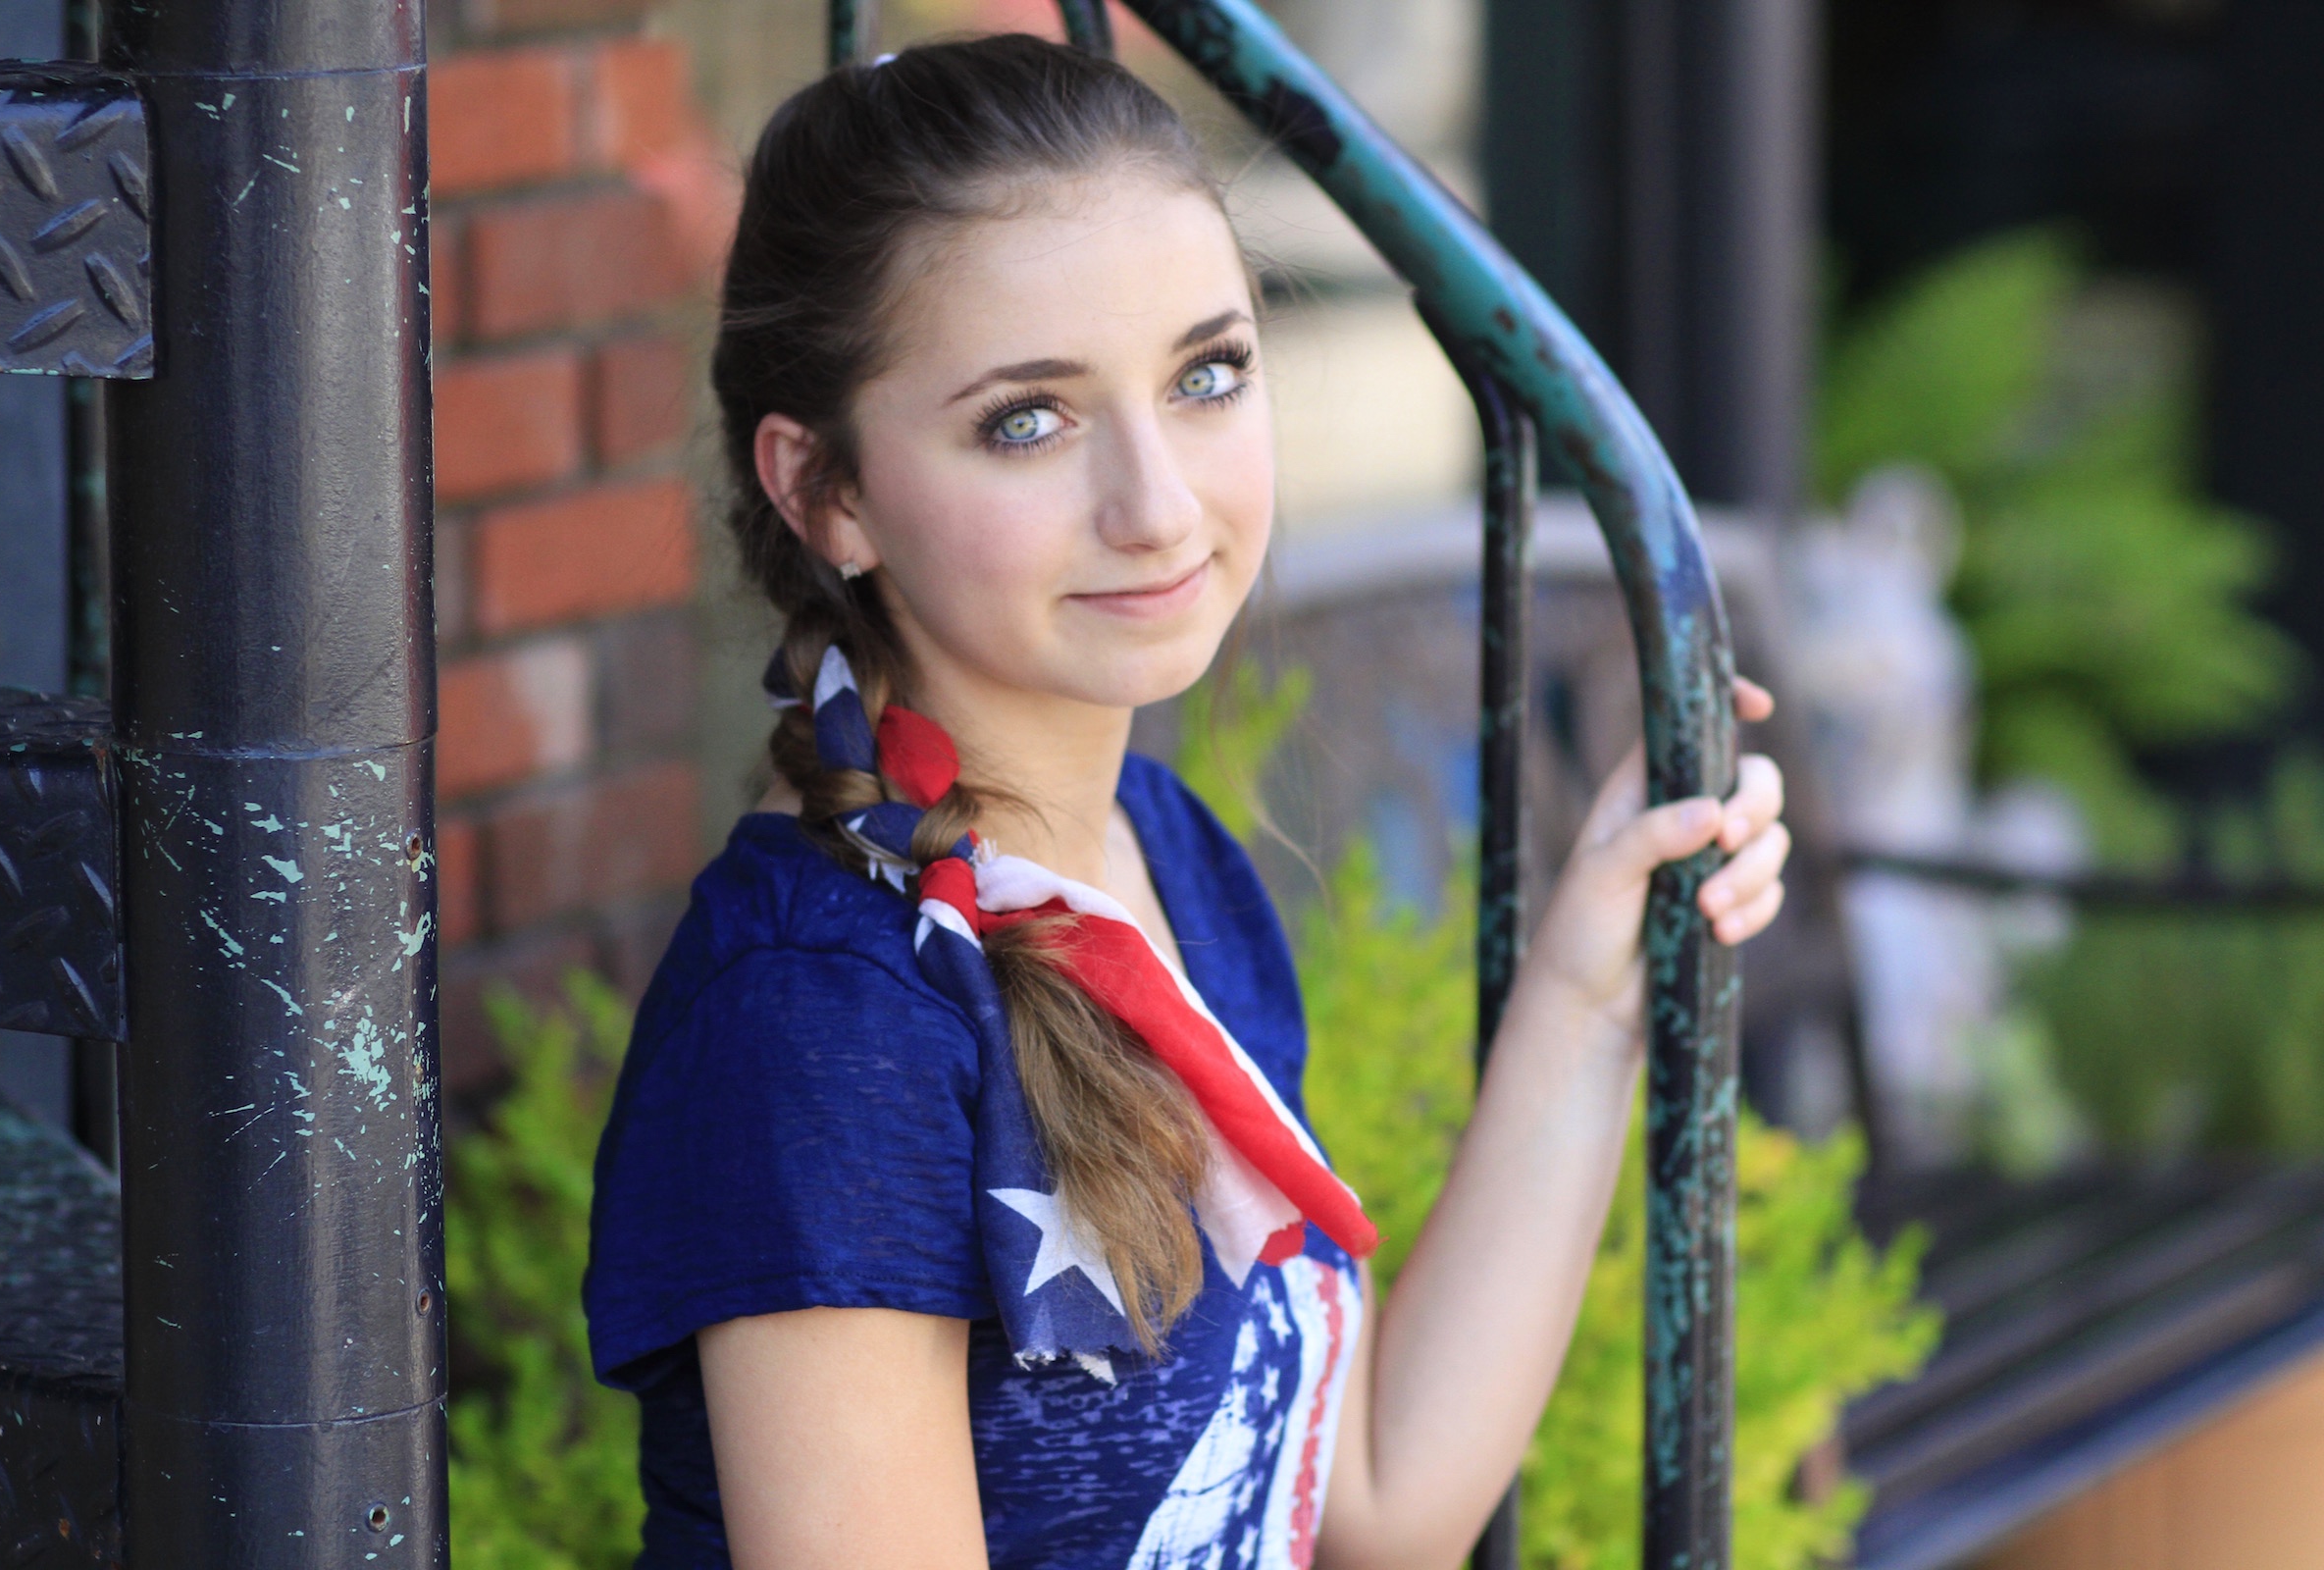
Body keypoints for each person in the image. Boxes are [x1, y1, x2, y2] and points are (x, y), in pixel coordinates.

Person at [584, 33, 1789, 1570]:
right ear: (827, 490)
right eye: (1029, 418)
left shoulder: (1166, 864)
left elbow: (1376, 1498)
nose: (1157, 503)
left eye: (1207, 375)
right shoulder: (824, 1020)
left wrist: (1592, 984)